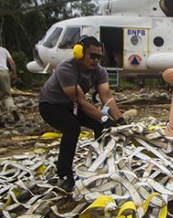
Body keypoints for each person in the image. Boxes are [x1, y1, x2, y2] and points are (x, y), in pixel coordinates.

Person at [39, 35, 126, 191]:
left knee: (102, 127)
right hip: (51, 105)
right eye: (92, 56)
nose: (96, 60)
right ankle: (64, 174)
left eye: (99, 57)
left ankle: (100, 164)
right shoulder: (66, 69)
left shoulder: (99, 71)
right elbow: (80, 100)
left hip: (73, 105)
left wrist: (119, 119)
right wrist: (105, 118)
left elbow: (106, 96)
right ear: (79, 53)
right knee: (72, 127)